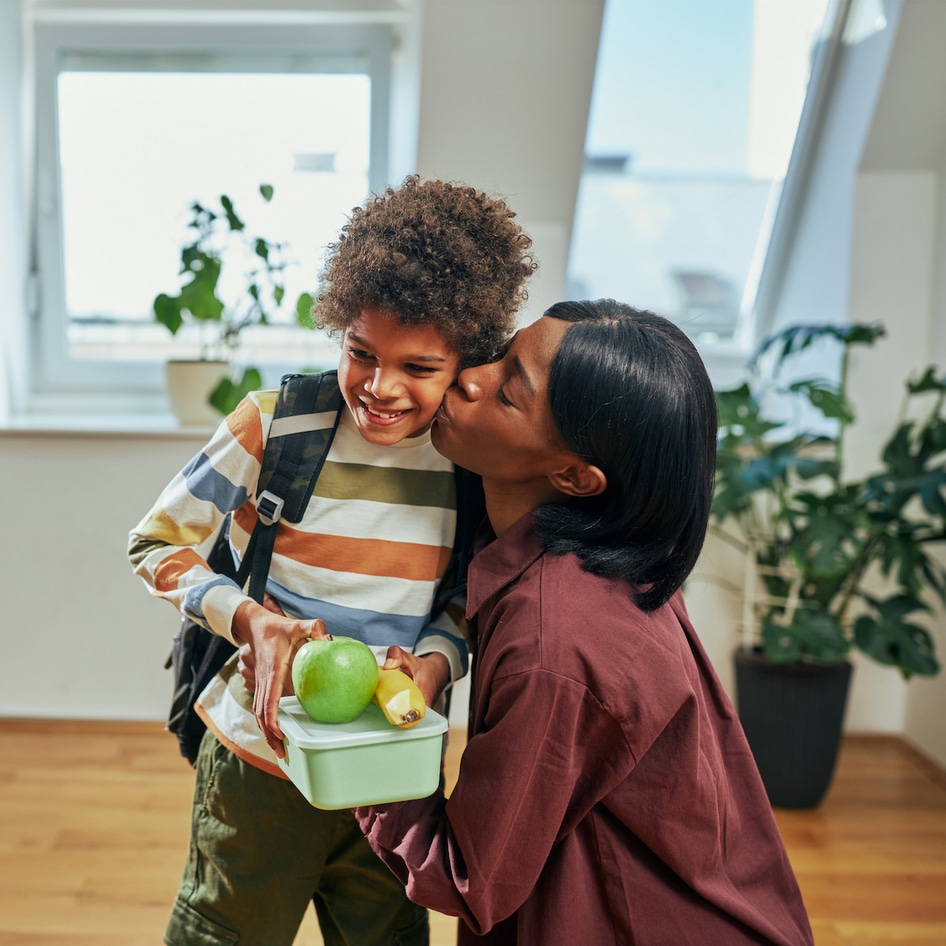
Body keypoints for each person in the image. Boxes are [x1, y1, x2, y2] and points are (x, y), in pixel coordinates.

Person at [127, 175, 535, 946]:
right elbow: (154, 543)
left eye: (419, 368)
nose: (380, 389)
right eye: (361, 353)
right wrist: (247, 618)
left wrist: (437, 666)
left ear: (465, 364)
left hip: (393, 776)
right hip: (258, 762)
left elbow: (463, 600)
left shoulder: (468, 466)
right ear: (339, 327)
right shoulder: (278, 424)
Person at [351, 299, 816, 946]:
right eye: (501, 355)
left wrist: (362, 742)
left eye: (508, 392)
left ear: (573, 475)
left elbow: (466, 879)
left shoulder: (558, 641)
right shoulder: (598, 554)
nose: (470, 377)